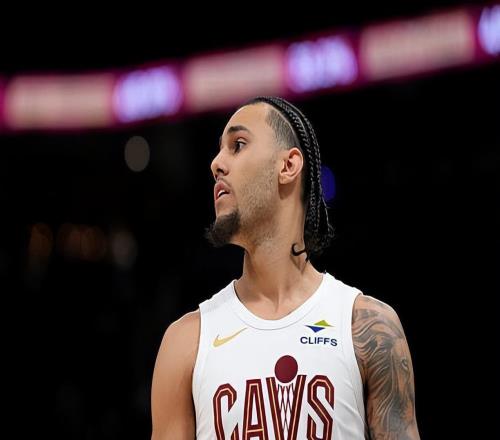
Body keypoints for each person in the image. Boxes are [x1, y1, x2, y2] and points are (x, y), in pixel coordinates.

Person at [151, 96, 420, 439]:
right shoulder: (185, 341)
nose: (216, 163)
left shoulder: (367, 327)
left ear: (288, 165)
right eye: (219, 150)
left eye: (238, 145)